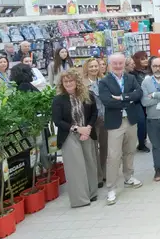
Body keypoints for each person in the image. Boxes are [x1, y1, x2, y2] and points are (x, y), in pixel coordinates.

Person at [98, 53, 144, 205]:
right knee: (113, 156)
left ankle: (128, 177)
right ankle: (111, 188)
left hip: (130, 120)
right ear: (110, 64)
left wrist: (122, 97)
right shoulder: (104, 82)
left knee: (130, 150)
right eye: (115, 63)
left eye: (120, 63)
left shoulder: (130, 78)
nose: (118, 66)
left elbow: (139, 94)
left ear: (124, 63)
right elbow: (107, 101)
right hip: (115, 123)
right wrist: (128, 100)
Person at [51, 68, 98, 208]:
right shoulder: (58, 100)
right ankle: (80, 199)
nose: (68, 83)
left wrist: (88, 128)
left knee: (90, 163)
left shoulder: (88, 95)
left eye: (71, 80)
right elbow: (57, 121)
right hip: (69, 135)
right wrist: (78, 129)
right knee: (75, 167)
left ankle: (92, 193)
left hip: (87, 133)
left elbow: (94, 113)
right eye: (65, 81)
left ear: (77, 81)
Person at [82, 58, 108, 188]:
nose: (94, 69)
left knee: (105, 147)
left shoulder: (103, 81)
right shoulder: (82, 83)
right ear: (86, 68)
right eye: (91, 66)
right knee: (93, 149)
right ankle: (97, 176)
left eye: (95, 66)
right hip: (92, 119)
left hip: (105, 118)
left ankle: (104, 173)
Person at [130, 51, 151, 153]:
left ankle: (144, 140)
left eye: (146, 57)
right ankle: (141, 144)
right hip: (138, 101)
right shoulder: (133, 73)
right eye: (142, 59)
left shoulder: (151, 70)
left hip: (150, 99)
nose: (146, 60)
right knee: (141, 121)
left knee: (147, 122)